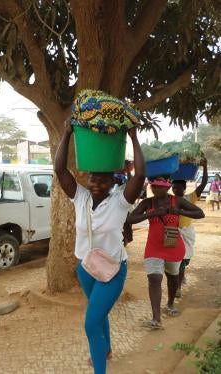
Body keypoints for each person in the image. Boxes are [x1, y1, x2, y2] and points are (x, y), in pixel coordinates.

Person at [55, 121, 145, 374]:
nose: (95, 183)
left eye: (102, 180)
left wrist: (133, 137)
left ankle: (100, 367)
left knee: (91, 322)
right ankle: (106, 351)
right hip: (86, 267)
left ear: (112, 183)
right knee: (99, 313)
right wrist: (67, 132)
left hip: (113, 271)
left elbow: (139, 175)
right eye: (93, 178)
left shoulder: (120, 201)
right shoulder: (80, 197)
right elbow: (60, 170)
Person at [127, 176, 204, 329]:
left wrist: (178, 211)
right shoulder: (147, 202)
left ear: (167, 188)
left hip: (173, 246)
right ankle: (156, 319)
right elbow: (131, 219)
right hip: (153, 247)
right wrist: (152, 214)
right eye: (153, 186)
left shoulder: (177, 201)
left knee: (173, 278)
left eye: (159, 187)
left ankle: (170, 303)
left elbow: (200, 213)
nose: (156, 189)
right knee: (154, 278)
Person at [172, 159, 208, 298]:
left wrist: (204, 167)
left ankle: (179, 284)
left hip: (186, 232)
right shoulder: (169, 199)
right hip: (174, 232)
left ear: (184, 188)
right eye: (174, 188)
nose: (176, 190)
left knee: (184, 260)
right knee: (177, 261)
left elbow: (204, 183)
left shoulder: (189, 198)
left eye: (178, 188)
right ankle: (178, 286)